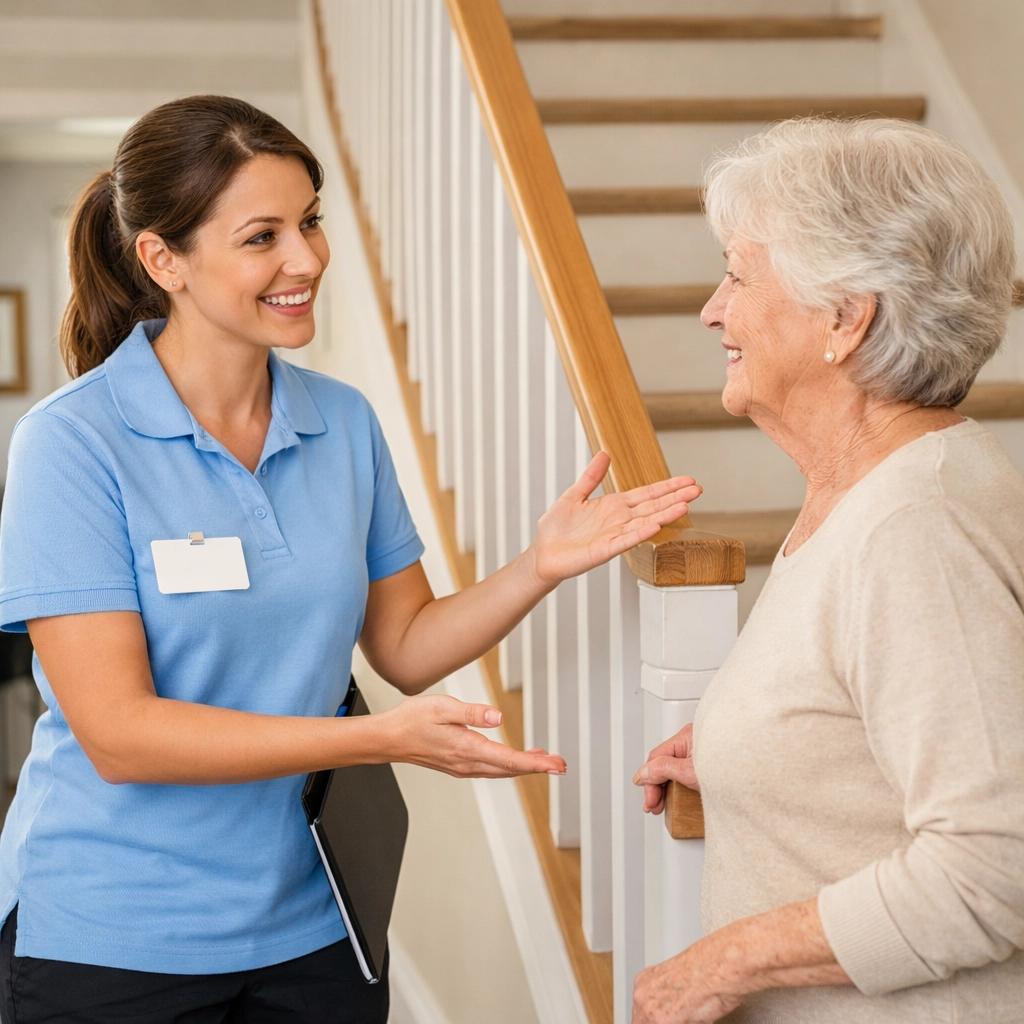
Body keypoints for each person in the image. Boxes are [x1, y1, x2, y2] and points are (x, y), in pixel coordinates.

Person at [0, 95, 701, 1024]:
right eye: (263, 236)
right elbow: (120, 735)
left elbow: (403, 644)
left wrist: (538, 565)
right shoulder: (74, 443)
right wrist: (381, 739)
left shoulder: (343, 423)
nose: (307, 260)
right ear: (164, 260)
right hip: (114, 933)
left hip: (311, 921)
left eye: (311, 221)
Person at [632, 117, 1024, 1023]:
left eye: (738, 273)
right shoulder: (868, 492)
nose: (711, 308)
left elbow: (997, 861)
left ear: (847, 319)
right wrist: (751, 747)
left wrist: (726, 962)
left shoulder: (915, 526)